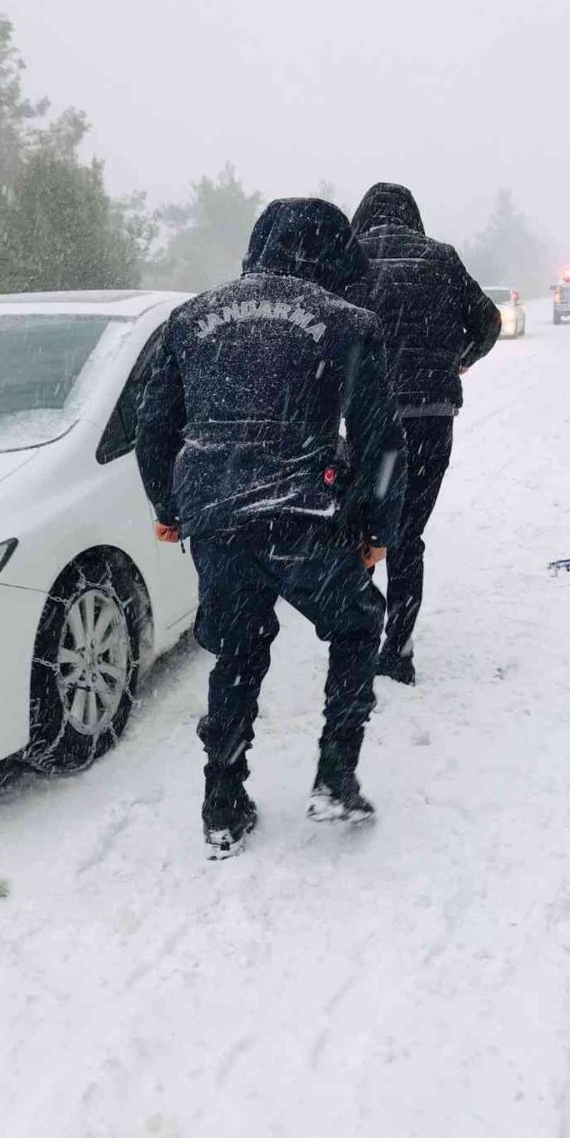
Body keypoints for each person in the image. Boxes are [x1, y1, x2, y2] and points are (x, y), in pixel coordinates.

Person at [136, 198, 406, 859]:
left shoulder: (191, 318)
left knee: (237, 652)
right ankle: (336, 776)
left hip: (219, 519)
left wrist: (169, 508)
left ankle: (222, 804)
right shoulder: (346, 322)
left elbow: (152, 426)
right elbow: (382, 438)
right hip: (306, 516)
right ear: (337, 253)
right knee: (355, 623)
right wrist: (380, 527)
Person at [350, 182, 501, 685]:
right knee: (408, 534)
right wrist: (460, 359)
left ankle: (358, 633)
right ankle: (398, 650)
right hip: (431, 419)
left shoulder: (353, 257)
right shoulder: (442, 259)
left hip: (373, 420)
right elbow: (489, 321)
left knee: (366, 529)